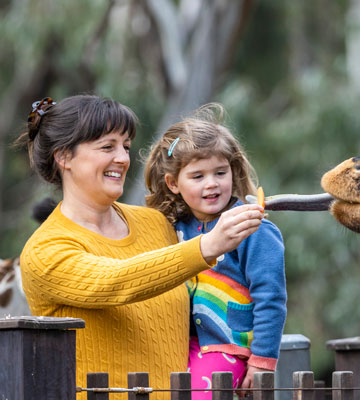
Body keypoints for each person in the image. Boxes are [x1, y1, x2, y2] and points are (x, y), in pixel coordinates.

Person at [17, 95, 264, 397]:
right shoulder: (45, 250)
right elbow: (117, 281)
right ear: (64, 157)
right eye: (107, 146)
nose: (122, 158)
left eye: (126, 146)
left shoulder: (157, 224)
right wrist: (207, 246)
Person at [144, 103, 286, 398]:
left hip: (229, 347)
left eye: (220, 172)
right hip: (181, 346)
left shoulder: (251, 227)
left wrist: (262, 362)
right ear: (173, 183)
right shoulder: (174, 228)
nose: (212, 184)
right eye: (198, 177)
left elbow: (270, 297)